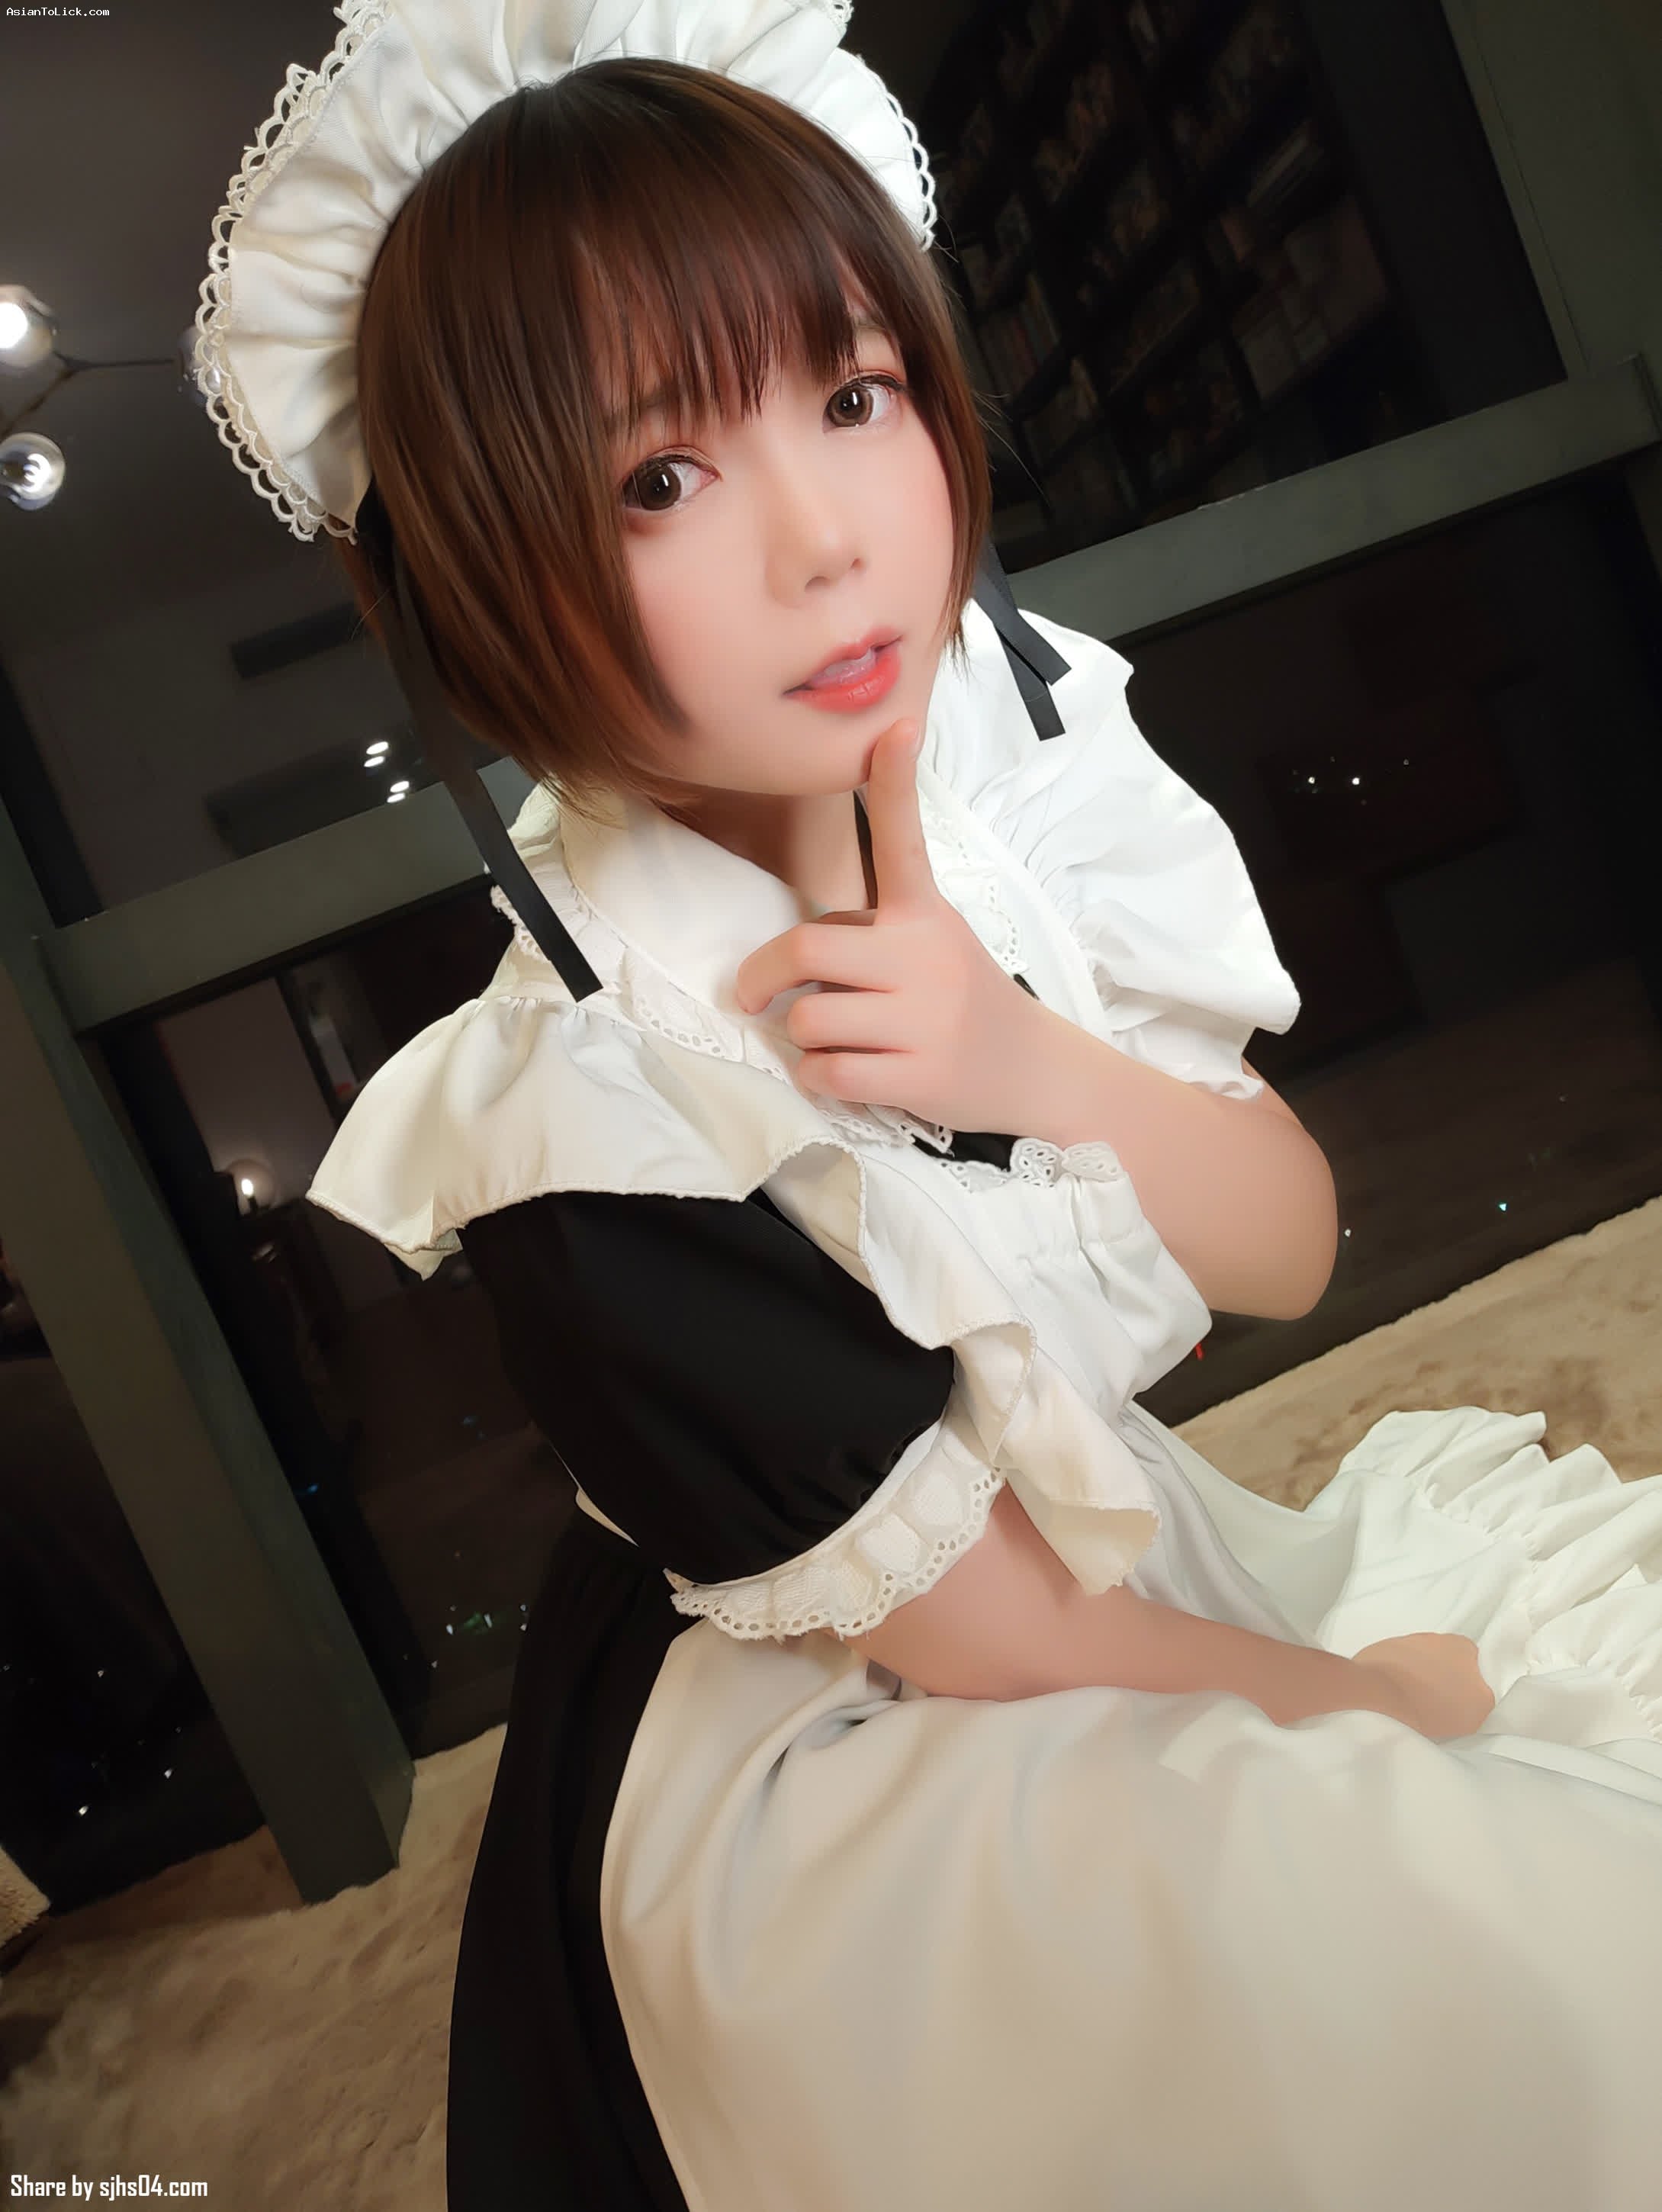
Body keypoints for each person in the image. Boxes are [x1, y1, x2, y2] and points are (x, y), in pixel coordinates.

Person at [195, 6, 1662, 2208]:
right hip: (859, 1714)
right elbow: (1008, 1646)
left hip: (1069, 1580)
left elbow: (1290, 1246)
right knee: (1471, 1952)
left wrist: (1023, 1058)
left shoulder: (1001, 760)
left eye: (853, 391)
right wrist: (1374, 1712)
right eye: (659, 478)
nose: (826, 537)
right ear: (484, 573)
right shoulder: (584, 1121)